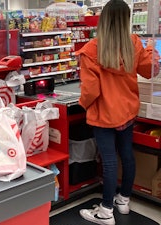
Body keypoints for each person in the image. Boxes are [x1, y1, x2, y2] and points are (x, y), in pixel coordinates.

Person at [76, 0, 159, 224]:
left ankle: (105, 211)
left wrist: (83, 103)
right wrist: (150, 47)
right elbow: (148, 71)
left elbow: (91, 90)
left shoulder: (92, 49)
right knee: (127, 156)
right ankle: (123, 200)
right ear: (126, 20)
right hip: (128, 111)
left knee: (110, 161)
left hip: (104, 113)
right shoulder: (134, 43)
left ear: (103, 19)